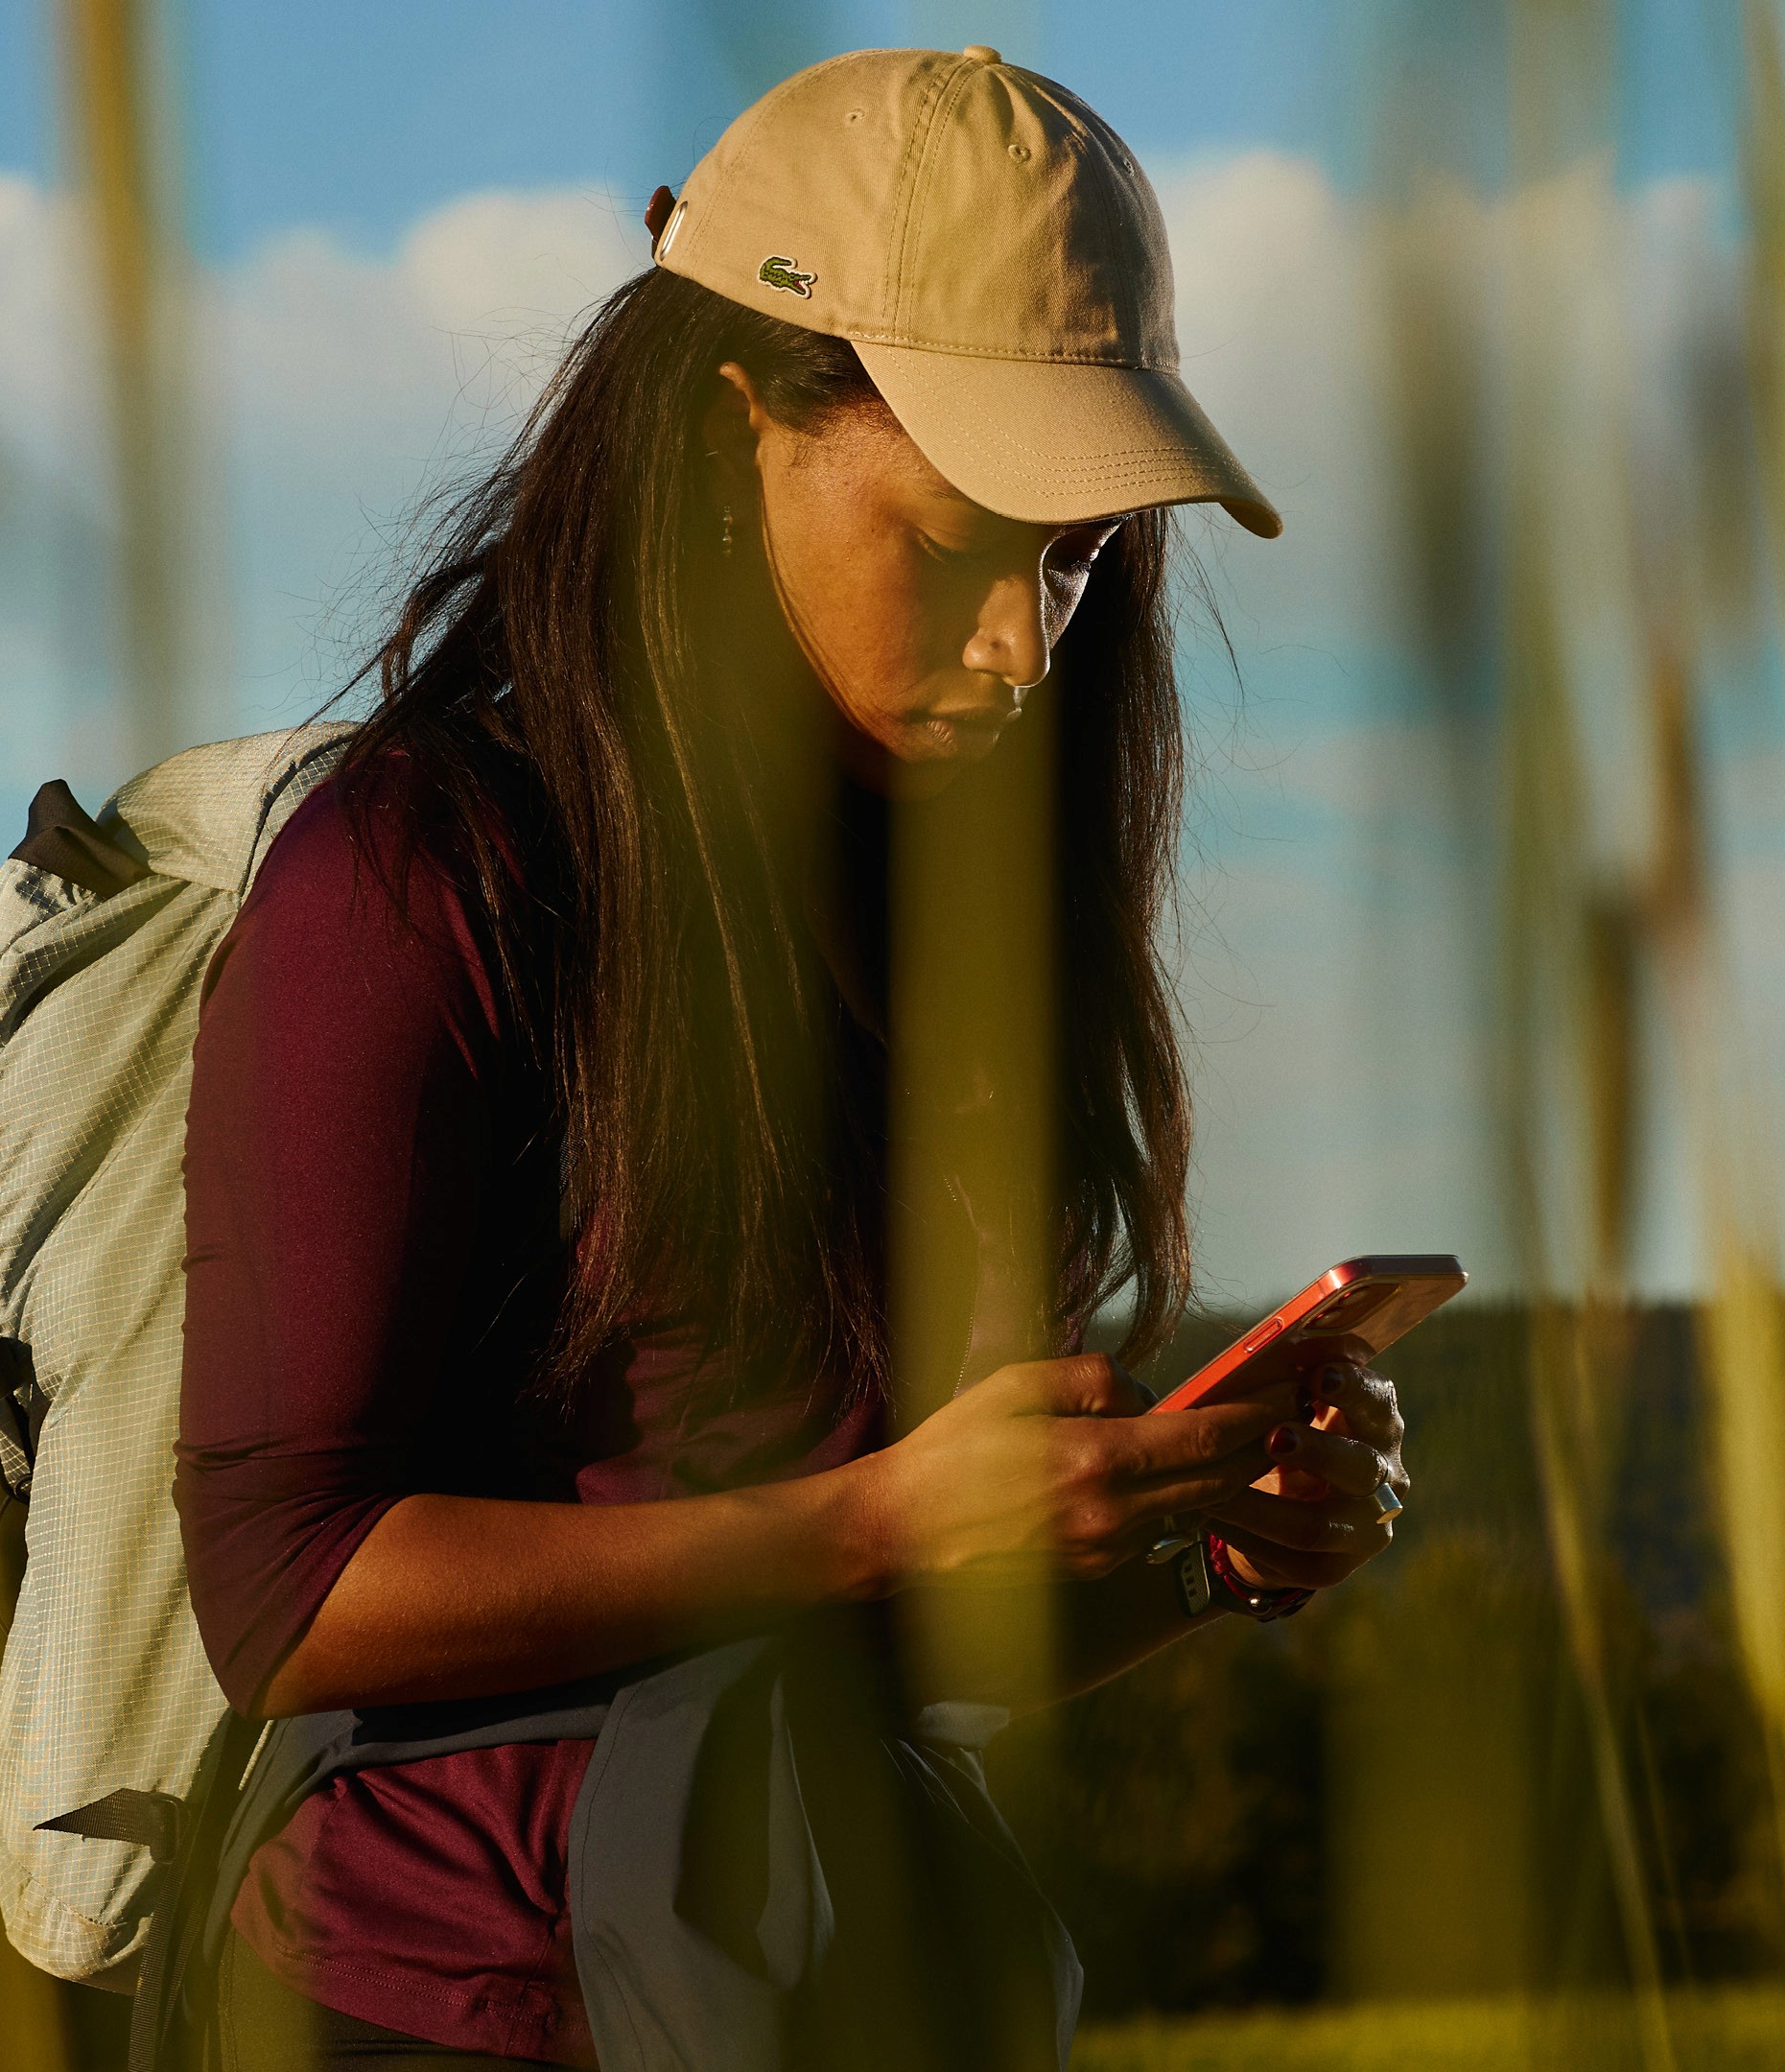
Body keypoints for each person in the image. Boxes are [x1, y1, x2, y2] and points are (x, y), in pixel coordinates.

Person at [167, 47, 1409, 2072]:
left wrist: (1187, 1557)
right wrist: (885, 1520)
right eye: (960, 537)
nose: (1026, 640)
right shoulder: (419, 872)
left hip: (808, 1996)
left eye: (1080, 561)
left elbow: (884, 1646)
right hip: (438, 2010)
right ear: (727, 427)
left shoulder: (940, 933)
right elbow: (283, 1595)